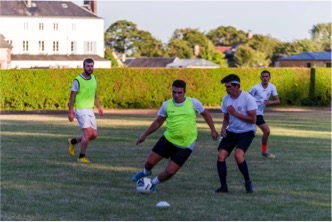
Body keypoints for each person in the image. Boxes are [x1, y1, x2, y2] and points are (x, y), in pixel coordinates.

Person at [132, 79, 218, 193]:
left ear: (184, 92)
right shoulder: (167, 105)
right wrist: (144, 135)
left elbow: (206, 114)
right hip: (168, 139)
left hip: (186, 144)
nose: (176, 95)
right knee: (149, 162)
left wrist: (213, 130)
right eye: (174, 92)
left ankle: (152, 185)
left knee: (170, 172)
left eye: (179, 92)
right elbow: (158, 122)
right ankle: (145, 173)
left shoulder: (193, 102)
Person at [216, 74, 257, 193]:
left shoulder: (248, 98)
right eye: (226, 87)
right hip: (232, 131)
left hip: (247, 131)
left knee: (238, 155)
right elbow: (226, 118)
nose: (226, 89)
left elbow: (253, 120)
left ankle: (248, 182)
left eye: (229, 87)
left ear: (236, 86)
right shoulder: (226, 99)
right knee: (221, 156)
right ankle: (224, 186)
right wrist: (223, 128)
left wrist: (236, 114)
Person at [67, 58, 104, 163]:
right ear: (84, 66)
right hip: (80, 110)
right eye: (88, 66)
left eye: (91, 66)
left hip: (90, 110)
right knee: (87, 134)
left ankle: (73, 142)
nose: (90, 68)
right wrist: (70, 111)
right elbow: (72, 97)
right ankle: (81, 157)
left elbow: (94, 96)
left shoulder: (94, 78)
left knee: (94, 135)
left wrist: (99, 107)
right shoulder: (77, 80)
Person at [249, 70, 280, 158]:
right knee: (266, 131)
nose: (265, 78)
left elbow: (277, 101)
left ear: (269, 78)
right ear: (260, 78)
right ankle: (264, 151)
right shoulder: (255, 88)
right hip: (253, 112)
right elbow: (247, 98)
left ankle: (263, 150)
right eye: (263, 76)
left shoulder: (272, 87)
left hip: (260, 113)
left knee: (246, 130)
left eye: (267, 76)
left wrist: (271, 102)